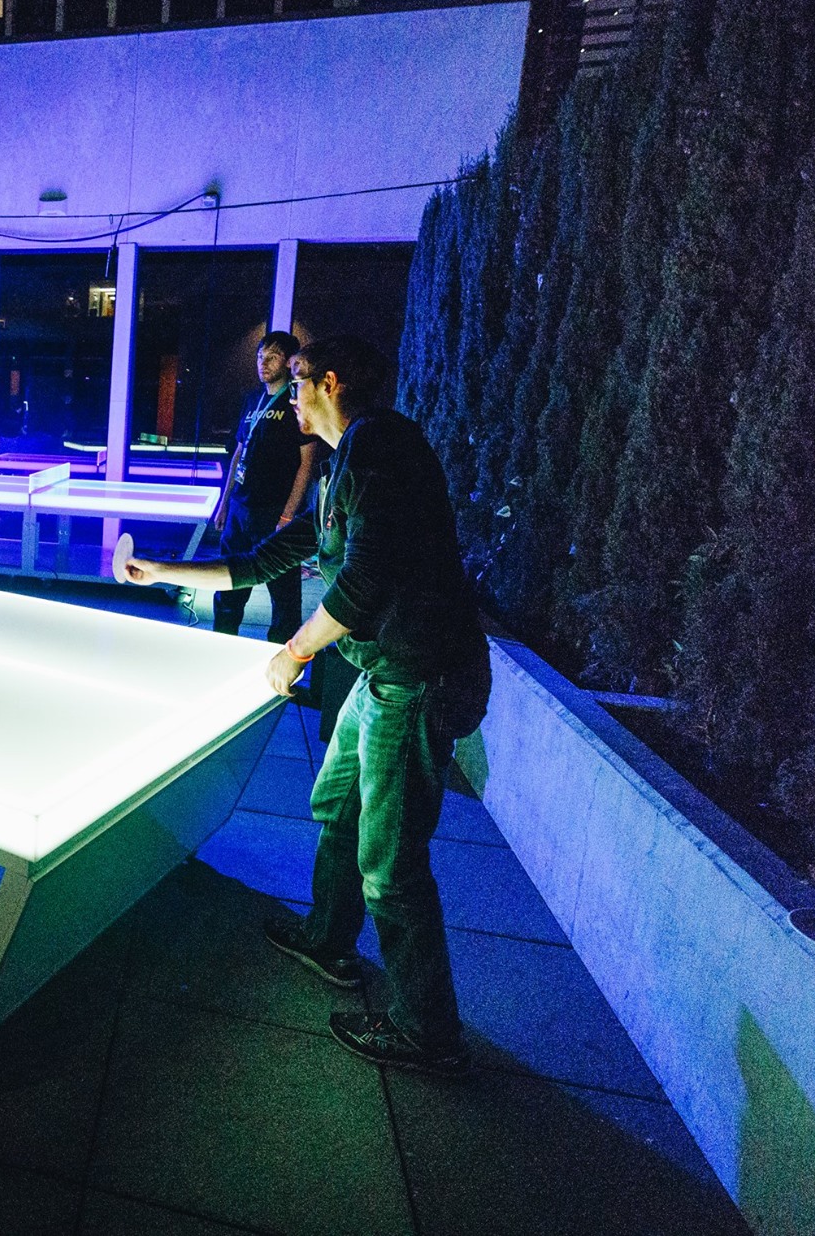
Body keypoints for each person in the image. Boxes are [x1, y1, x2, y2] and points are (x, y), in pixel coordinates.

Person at [120, 334, 490, 1075]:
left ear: (328, 382)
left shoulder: (380, 447)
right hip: (384, 671)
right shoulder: (345, 463)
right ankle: (328, 937)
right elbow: (270, 555)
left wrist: (292, 651)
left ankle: (429, 1032)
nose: (287, 394)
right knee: (336, 801)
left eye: (296, 380)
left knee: (390, 862)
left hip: (415, 680)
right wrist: (163, 569)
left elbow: (358, 590)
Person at [209, 330, 314, 642]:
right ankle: (221, 643)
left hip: (273, 510)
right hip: (241, 508)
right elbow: (239, 452)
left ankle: (280, 657)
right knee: (229, 583)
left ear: (288, 362)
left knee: (282, 592)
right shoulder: (252, 399)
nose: (263, 363)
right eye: (260, 356)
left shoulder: (296, 402)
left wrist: (286, 516)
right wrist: (225, 503)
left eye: (272, 357)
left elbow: (306, 463)